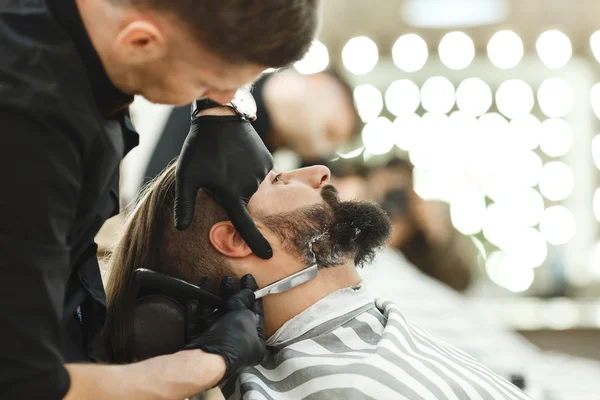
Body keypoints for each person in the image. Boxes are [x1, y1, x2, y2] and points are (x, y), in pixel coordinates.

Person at [0, 0, 320, 398]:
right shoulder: (32, 136)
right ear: (140, 40)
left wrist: (216, 107)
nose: (223, 97)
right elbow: (28, 385)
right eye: (207, 84)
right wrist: (211, 360)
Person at [105, 163, 528, 400]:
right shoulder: (350, 390)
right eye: (277, 179)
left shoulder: (365, 339)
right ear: (237, 239)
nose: (320, 172)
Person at [141, 68, 358, 189]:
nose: (321, 147)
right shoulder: (229, 87)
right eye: (329, 131)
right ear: (316, 80)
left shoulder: (267, 157)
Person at [368, 158, 478, 292]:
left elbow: (462, 282)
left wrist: (439, 239)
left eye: (399, 193)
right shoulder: (361, 229)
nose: (392, 202)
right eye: (385, 196)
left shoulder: (428, 228)